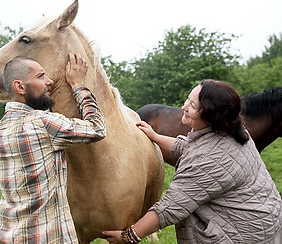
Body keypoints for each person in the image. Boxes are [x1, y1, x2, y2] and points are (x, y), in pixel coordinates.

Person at [103, 79, 282, 243]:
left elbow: (171, 207)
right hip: (262, 222)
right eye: (188, 100)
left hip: (245, 236)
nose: (183, 106)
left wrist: (130, 236)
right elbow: (189, 147)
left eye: (192, 105)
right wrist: (155, 136)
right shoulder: (230, 131)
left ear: (211, 115)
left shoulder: (209, 161)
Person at [0, 53, 106, 243]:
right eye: (41, 76)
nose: (50, 81)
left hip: (10, 234)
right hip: (46, 237)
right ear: (19, 86)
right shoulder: (43, 124)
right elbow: (97, 128)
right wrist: (78, 86)